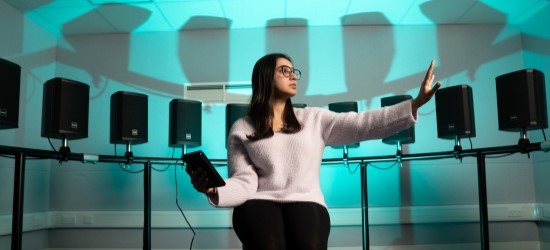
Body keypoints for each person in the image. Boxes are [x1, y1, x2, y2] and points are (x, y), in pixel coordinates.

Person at [186, 53, 441, 249]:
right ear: (265, 78)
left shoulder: (314, 119)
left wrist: (414, 104)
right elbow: (245, 182)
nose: (293, 75)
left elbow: (362, 124)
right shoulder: (242, 127)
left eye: (293, 70)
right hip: (259, 201)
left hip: (306, 200)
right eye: (284, 70)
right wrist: (214, 189)